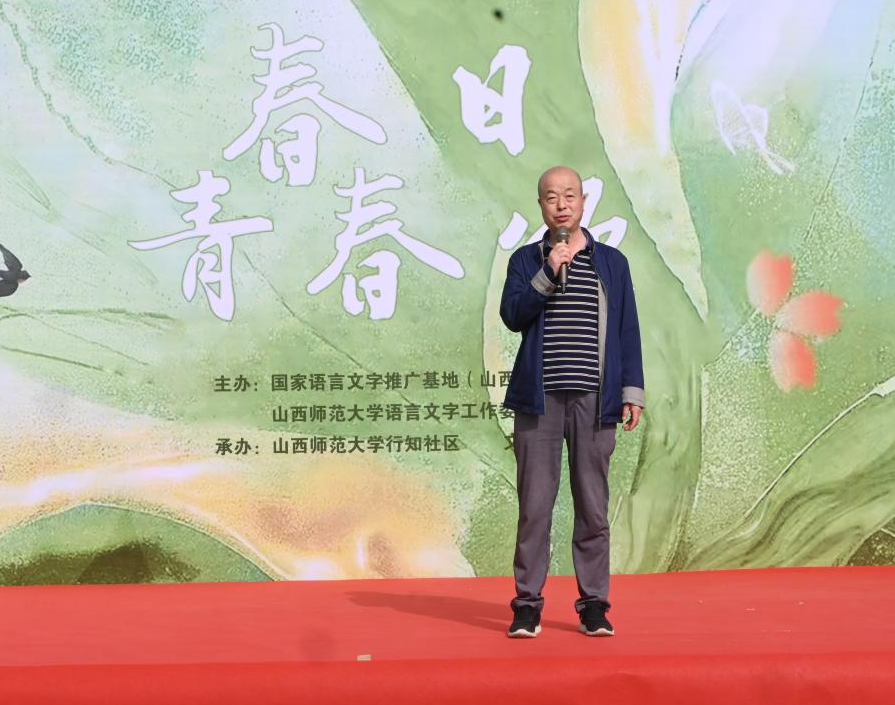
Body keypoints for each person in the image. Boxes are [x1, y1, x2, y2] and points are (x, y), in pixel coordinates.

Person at [499, 166, 644, 638]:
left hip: (595, 401)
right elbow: (512, 314)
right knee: (534, 507)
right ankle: (527, 605)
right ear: (540, 206)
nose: (560, 205)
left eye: (568, 196)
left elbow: (627, 329)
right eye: (550, 197)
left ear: (582, 202)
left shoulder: (612, 263)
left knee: (593, 508)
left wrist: (632, 392)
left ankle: (594, 605)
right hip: (538, 402)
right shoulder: (526, 260)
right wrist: (548, 272)